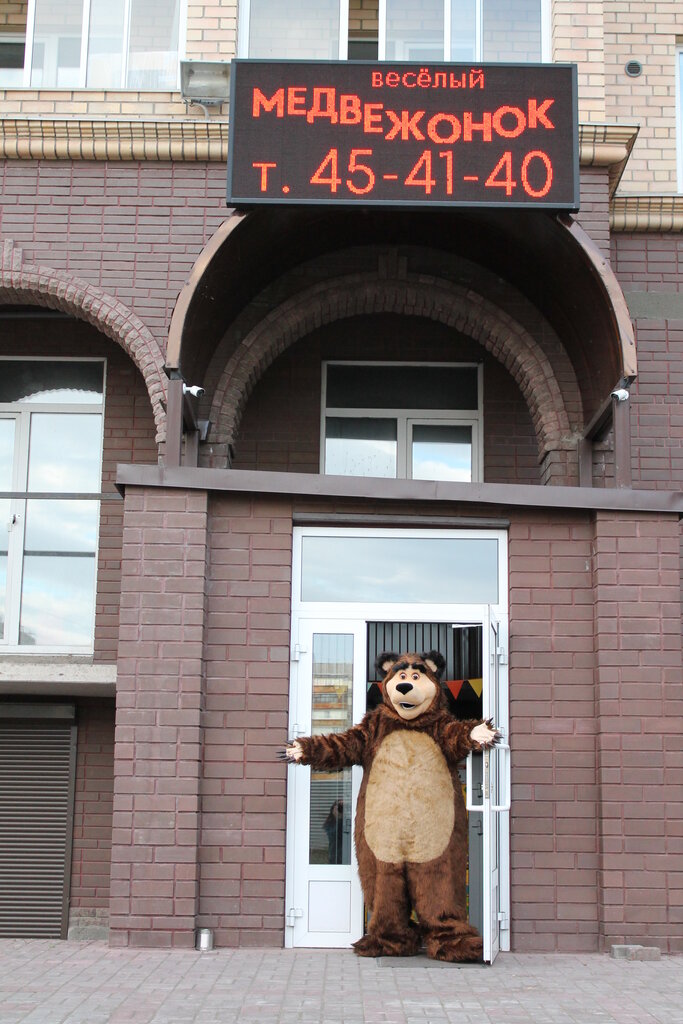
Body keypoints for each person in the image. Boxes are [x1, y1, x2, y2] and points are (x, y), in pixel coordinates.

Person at [323, 799, 345, 864]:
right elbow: (333, 836)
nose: (341, 809)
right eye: (339, 806)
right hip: (334, 856)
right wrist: (338, 818)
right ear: (333, 809)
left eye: (343, 807)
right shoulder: (330, 822)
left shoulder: (348, 821)